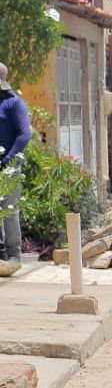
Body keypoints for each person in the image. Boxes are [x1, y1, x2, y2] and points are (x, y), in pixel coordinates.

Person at [0, 62, 31, 278]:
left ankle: (13, 256)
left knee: (9, 209)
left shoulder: (13, 103)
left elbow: (24, 135)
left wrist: (7, 159)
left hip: (8, 164)